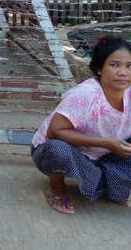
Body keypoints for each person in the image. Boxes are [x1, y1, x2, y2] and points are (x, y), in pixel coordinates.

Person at [31, 36, 131, 215]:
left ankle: (113, 186)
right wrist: (107, 143)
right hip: (66, 150)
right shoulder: (86, 94)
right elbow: (55, 131)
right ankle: (57, 186)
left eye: (129, 66)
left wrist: (110, 146)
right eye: (114, 65)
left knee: (116, 190)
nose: (123, 72)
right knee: (57, 149)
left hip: (104, 153)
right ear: (99, 68)